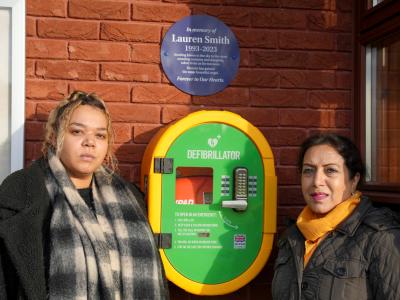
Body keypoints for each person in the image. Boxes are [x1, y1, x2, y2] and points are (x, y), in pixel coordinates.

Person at [0, 91, 169, 299]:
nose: (90, 142)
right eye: (77, 132)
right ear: (54, 137)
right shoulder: (23, 193)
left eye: (100, 135)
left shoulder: (130, 197)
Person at [272, 133, 400, 300]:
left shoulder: (380, 238)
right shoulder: (291, 238)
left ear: (354, 180)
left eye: (330, 170)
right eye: (308, 170)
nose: (317, 181)